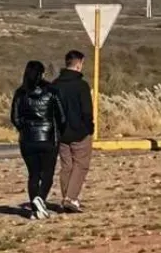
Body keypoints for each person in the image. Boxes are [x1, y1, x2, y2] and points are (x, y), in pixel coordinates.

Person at [10, 60, 65, 220]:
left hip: (28, 140)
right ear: (42, 74)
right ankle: (40, 199)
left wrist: (25, 129)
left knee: (33, 174)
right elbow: (61, 117)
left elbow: (15, 118)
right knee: (47, 174)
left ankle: (36, 209)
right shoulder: (52, 91)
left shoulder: (20, 93)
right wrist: (57, 131)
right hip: (48, 138)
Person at [51, 50, 93, 213]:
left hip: (60, 132)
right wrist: (89, 128)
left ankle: (67, 198)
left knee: (66, 165)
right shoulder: (81, 86)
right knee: (81, 164)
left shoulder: (55, 85)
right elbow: (87, 111)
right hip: (79, 132)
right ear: (79, 64)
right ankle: (71, 197)